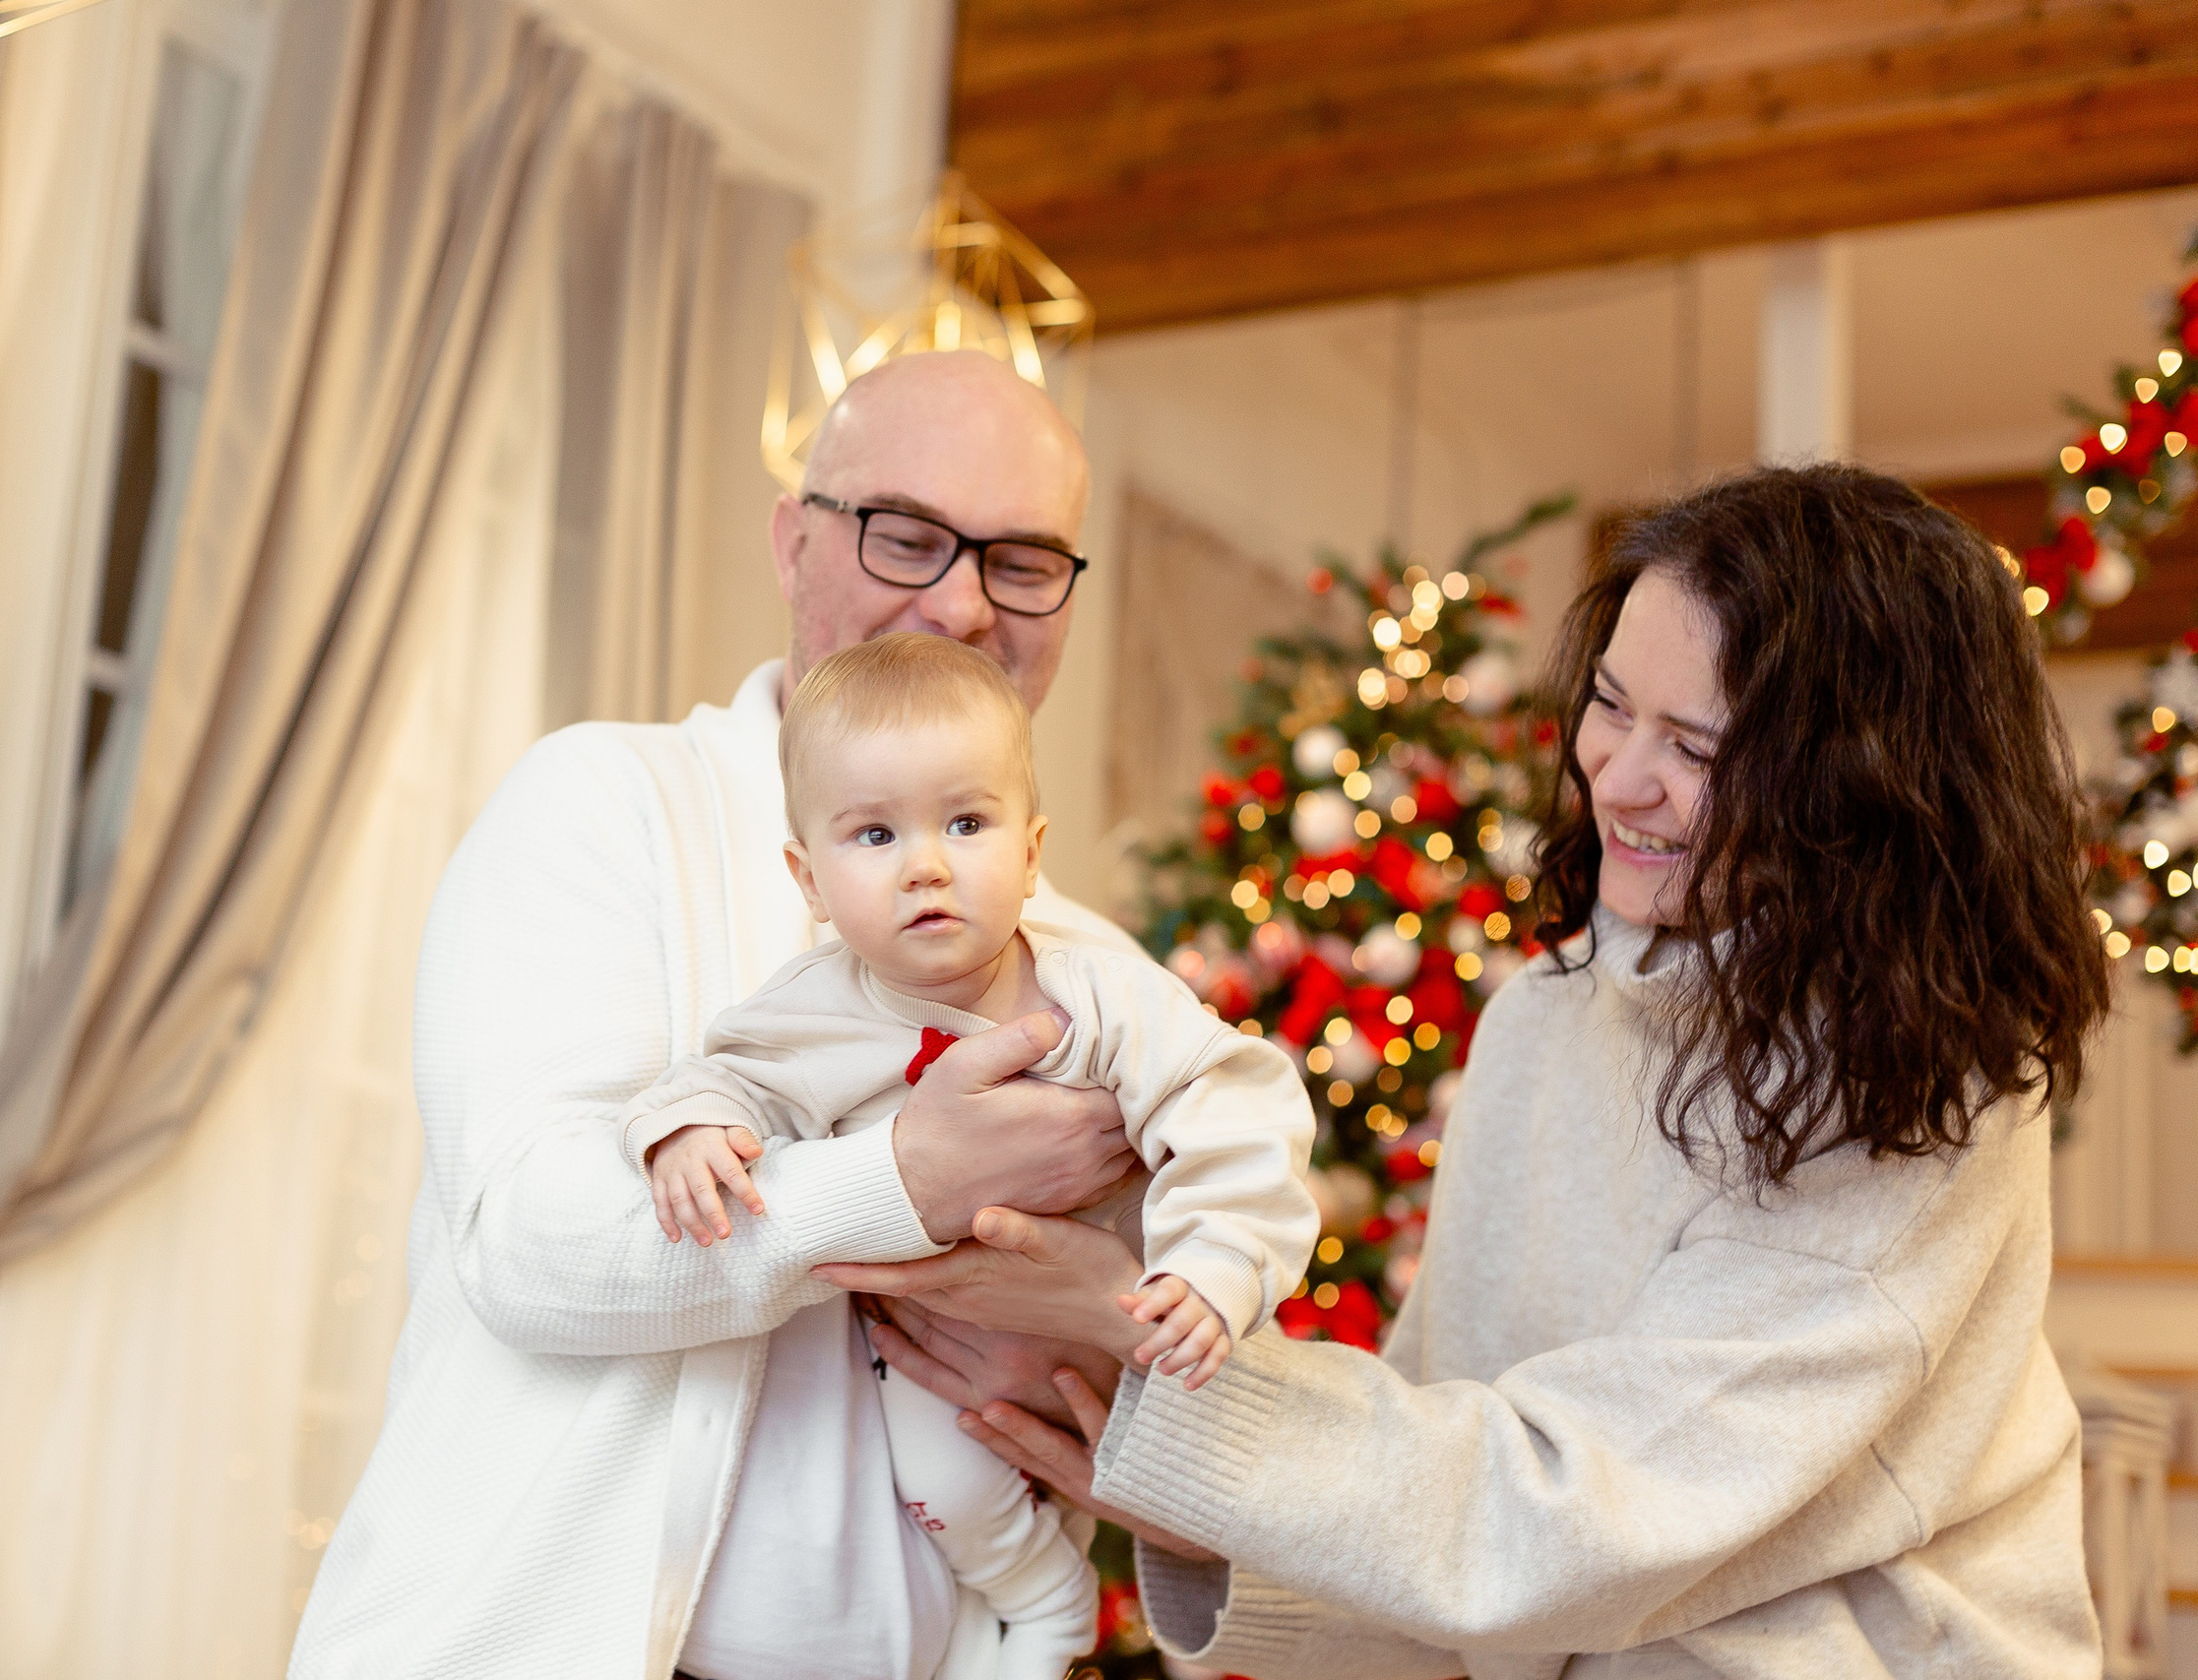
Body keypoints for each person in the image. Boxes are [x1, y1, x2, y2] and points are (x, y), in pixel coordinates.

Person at [829, 465, 2113, 1679]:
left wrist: (1145, 1341)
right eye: (1609, 704)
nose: (1617, 773)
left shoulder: (1914, 1093)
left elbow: (1579, 1512)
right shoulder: (1546, 1018)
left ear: (1857, 785)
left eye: (1699, 747)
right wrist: (1196, 1504)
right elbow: (1454, 1512)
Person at [288, 349, 1142, 1680]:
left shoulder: (1088, 968)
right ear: (796, 541)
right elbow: (531, 1241)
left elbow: (1145, 1336)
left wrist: (1105, 1326)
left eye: (1024, 561)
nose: (966, 600)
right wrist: (909, 1179)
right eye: (906, 535)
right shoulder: (603, 805)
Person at [627, 632, 1320, 1677]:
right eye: (873, 834)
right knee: (949, 1485)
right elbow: (718, 1079)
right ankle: (1044, 1603)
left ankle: (1049, 1605)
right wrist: (682, 1133)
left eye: (965, 821)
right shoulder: (806, 1013)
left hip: (1119, 1341)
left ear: (1032, 852)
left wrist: (1215, 1264)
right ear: (807, 880)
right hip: (933, 1351)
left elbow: (1237, 1107)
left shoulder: (1096, 996)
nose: (927, 865)